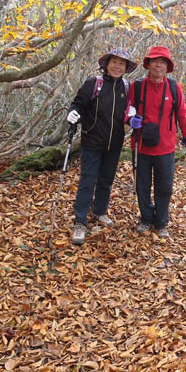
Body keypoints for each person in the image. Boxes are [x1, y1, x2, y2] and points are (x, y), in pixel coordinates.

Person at [67, 48, 137, 245]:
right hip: (91, 141)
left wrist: (132, 118)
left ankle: (100, 211)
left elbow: (127, 114)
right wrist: (72, 114)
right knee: (87, 181)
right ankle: (80, 222)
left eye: (122, 64)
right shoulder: (93, 83)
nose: (117, 66)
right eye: (114, 62)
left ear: (126, 68)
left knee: (106, 180)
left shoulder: (126, 87)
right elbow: (77, 104)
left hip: (114, 144)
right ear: (106, 64)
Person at [128, 46, 186, 239]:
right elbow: (128, 109)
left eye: (163, 62)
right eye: (155, 61)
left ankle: (161, 222)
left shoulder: (174, 87)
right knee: (142, 186)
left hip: (166, 147)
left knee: (164, 187)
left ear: (167, 66)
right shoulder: (137, 86)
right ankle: (146, 219)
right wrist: (130, 119)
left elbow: (181, 112)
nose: (158, 65)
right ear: (148, 64)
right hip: (141, 146)